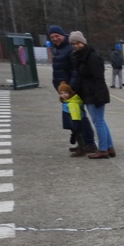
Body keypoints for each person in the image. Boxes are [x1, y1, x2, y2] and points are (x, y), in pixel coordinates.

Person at [47, 25, 97, 156]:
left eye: (57, 36)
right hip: (64, 90)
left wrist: (71, 87)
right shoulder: (58, 49)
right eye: (52, 37)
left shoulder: (69, 48)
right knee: (72, 117)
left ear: (62, 35)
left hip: (71, 90)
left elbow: (76, 70)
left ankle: (89, 143)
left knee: (79, 117)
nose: (55, 39)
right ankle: (82, 143)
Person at [68, 31, 115, 159]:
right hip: (90, 94)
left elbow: (99, 79)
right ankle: (109, 147)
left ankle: (103, 150)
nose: (75, 45)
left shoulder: (92, 57)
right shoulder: (82, 57)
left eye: (78, 43)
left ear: (83, 42)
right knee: (100, 121)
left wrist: (99, 97)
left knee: (98, 122)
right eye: (73, 43)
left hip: (95, 94)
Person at [58, 82, 85, 150]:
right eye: (61, 93)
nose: (63, 95)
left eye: (65, 93)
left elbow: (76, 117)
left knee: (78, 134)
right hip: (71, 123)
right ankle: (80, 147)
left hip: (74, 123)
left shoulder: (72, 103)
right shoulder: (67, 102)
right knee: (77, 134)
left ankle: (81, 149)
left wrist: (75, 128)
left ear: (70, 93)